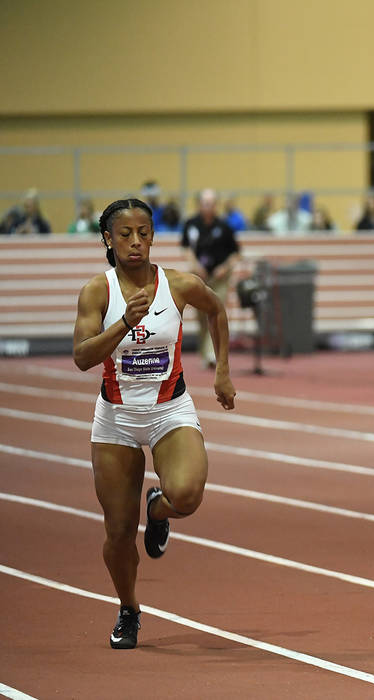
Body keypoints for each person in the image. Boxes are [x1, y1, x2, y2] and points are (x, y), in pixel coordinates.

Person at [72, 198, 236, 649]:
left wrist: (222, 372)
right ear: (108, 240)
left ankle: (159, 508)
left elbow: (217, 309)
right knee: (119, 533)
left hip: (170, 410)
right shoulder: (98, 292)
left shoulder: (178, 284)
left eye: (144, 233)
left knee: (188, 494)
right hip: (117, 420)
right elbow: (83, 357)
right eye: (125, 234)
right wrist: (125, 322)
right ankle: (129, 609)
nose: (136, 242)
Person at [180, 189, 241, 368]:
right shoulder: (191, 224)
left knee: (215, 311)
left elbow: (236, 253)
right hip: (199, 277)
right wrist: (195, 265)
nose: (209, 206)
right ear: (199, 204)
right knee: (201, 316)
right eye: (205, 203)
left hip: (219, 279)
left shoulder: (224, 226)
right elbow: (186, 248)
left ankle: (211, 353)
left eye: (212, 203)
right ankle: (204, 351)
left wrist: (225, 268)